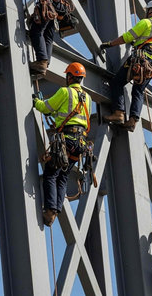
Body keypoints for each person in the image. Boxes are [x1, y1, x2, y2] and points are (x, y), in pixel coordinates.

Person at [33, 62, 92, 226]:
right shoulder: (87, 98)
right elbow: (85, 122)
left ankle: (51, 210)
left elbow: (46, 108)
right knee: (63, 176)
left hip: (66, 140)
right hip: (80, 142)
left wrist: (37, 101)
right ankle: (55, 211)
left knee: (51, 173)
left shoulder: (65, 92)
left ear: (70, 77)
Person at [100, 0, 152, 132]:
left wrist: (110, 44)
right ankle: (132, 121)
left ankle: (118, 113)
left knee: (117, 82)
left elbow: (127, 37)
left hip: (140, 60)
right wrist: (138, 42)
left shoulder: (146, 22)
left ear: (151, 11)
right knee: (138, 91)